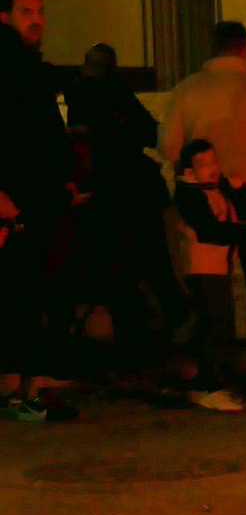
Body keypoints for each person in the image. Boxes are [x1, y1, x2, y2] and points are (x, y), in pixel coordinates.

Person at [161, 20, 246, 395]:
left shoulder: (186, 90)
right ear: (245, 49)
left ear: (213, 48)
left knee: (212, 292)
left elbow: (170, 148)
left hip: (205, 211)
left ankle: (218, 363)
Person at [67, 43, 184, 380]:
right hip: (131, 189)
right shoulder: (114, 92)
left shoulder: (81, 92)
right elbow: (147, 132)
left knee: (119, 269)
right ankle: (161, 331)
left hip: (105, 191)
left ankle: (132, 341)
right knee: (147, 263)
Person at [0, 0, 80, 421]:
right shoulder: (11, 65)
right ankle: (20, 393)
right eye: (26, 10)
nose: (36, 18)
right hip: (17, 202)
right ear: (5, 16)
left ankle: (21, 389)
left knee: (26, 291)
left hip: (33, 198)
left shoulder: (24, 64)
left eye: (40, 10)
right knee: (21, 293)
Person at [171, 140, 246, 412]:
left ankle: (209, 383)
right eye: (203, 164)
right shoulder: (189, 195)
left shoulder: (217, 187)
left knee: (218, 325)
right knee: (216, 325)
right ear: (189, 170)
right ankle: (209, 386)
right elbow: (209, 230)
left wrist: (239, 189)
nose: (212, 168)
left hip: (218, 268)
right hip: (201, 269)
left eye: (213, 161)